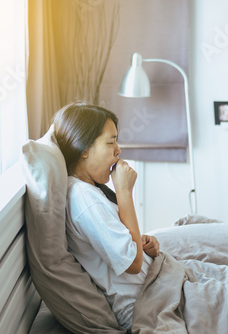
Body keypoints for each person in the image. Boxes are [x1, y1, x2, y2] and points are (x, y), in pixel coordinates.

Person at [53, 102, 160, 331]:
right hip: (143, 301)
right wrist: (124, 192)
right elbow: (132, 264)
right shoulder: (84, 198)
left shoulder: (90, 190)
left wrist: (141, 244)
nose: (118, 150)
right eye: (111, 142)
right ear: (82, 148)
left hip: (153, 286)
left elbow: (127, 249)